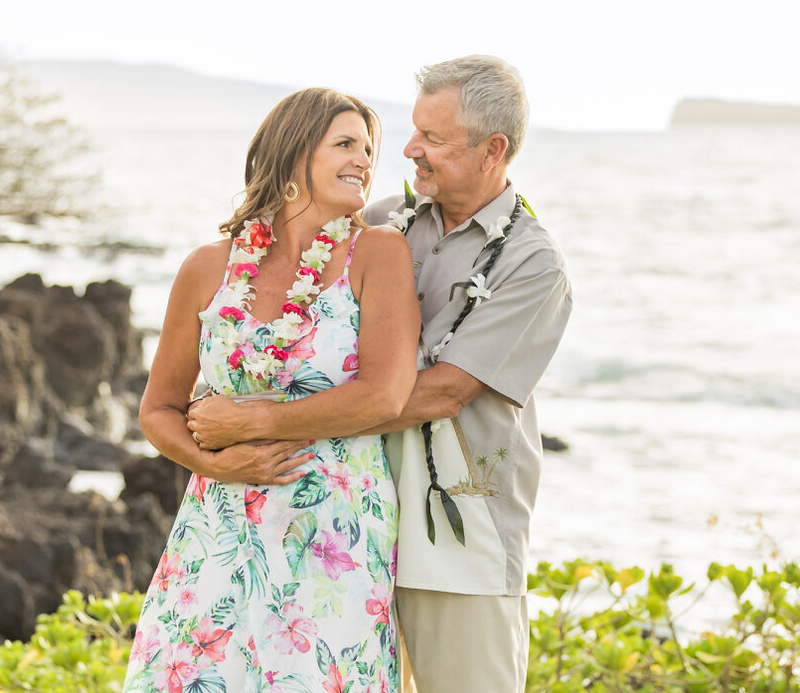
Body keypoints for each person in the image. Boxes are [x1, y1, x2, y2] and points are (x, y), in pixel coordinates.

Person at [187, 56, 573, 692]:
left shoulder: (533, 264)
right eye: (413, 130)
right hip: (344, 522)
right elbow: (285, 305)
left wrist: (259, 418)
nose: (411, 149)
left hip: (453, 537)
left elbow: (441, 391)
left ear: (492, 149)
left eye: (435, 138)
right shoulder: (381, 220)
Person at [123, 89, 421, 693]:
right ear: (292, 156)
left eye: (369, 149)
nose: (364, 160)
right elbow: (158, 409)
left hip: (333, 533)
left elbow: (383, 397)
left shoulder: (380, 253)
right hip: (218, 526)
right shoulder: (208, 267)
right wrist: (215, 459)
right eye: (345, 144)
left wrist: (251, 422)